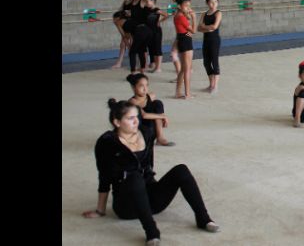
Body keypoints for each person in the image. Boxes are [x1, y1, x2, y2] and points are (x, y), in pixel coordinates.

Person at [82, 99, 219, 245]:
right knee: (134, 178)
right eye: (130, 118)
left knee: (181, 170)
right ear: (117, 122)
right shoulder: (107, 142)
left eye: (137, 117)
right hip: (127, 205)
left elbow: (149, 167)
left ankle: (203, 218)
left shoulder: (146, 133)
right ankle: (151, 232)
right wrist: (100, 210)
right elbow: (104, 176)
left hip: (152, 199)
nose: (136, 122)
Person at [127, 73, 174, 146]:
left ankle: (160, 137)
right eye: (141, 86)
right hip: (141, 131)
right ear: (134, 87)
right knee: (155, 114)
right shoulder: (132, 102)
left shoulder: (151, 96)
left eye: (147, 85)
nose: (145, 89)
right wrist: (163, 116)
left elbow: (156, 112)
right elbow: (144, 115)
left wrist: (161, 116)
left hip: (152, 130)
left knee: (157, 103)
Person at [112, 0, 144, 69]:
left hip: (130, 23)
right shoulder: (126, 1)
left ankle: (138, 63)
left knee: (132, 43)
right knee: (123, 44)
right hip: (125, 23)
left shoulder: (132, 1)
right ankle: (119, 62)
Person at [198, 0, 222, 93]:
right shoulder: (204, 14)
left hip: (214, 40)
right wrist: (207, 28)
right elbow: (198, 28)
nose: (213, 4)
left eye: (215, 2)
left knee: (214, 62)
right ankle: (211, 84)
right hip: (206, 40)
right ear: (207, 3)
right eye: (211, 2)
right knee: (206, 62)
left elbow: (215, 27)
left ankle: (215, 86)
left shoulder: (218, 13)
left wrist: (205, 27)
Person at [174, 0, 196, 99]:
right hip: (185, 42)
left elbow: (186, 29)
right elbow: (194, 31)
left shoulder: (178, 15)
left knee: (183, 69)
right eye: (186, 6)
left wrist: (187, 14)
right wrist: (194, 18)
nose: (188, 8)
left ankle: (178, 92)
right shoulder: (181, 17)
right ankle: (187, 93)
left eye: (189, 6)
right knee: (187, 69)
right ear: (179, 6)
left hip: (182, 39)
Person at [145, 0, 167, 73]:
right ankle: (154, 65)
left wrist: (160, 21)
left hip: (156, 31)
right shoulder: (147, 9)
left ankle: (159, 67)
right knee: (151, 48)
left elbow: (166, 15)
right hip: (149, 31)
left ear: (153, 1)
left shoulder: (156, 10)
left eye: (147, 2)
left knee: (157, 48)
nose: (146, 3)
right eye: (145, 2)